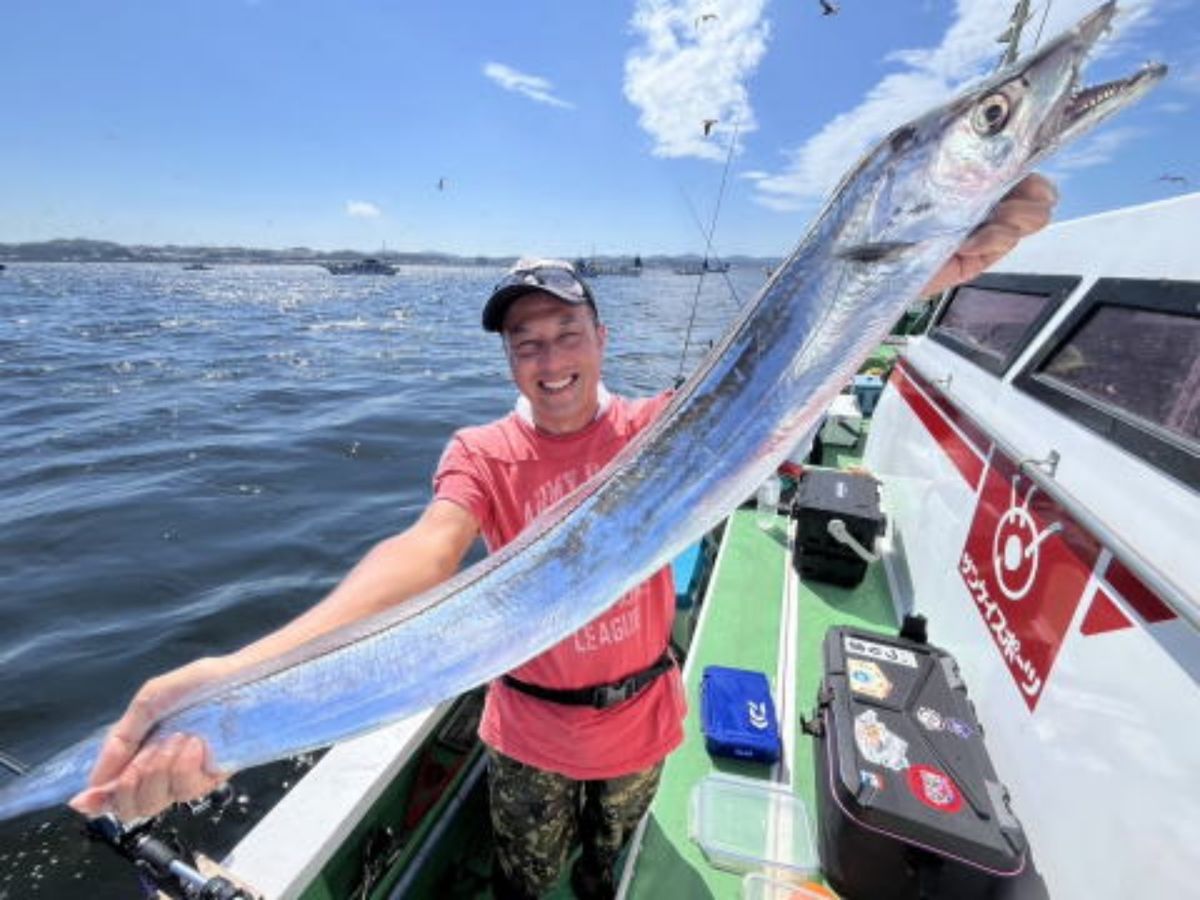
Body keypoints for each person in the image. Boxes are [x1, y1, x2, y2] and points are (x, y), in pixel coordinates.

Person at [69, 174, 1058, 898]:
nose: (548, 359)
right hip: (528, 736)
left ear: (600, 338)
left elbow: (783, 391)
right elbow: (423, 553)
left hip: (640, 726)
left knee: (607, 876)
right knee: (521, 880)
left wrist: (921, 279)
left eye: (565, 333)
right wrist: (238, 680)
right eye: (525, 342)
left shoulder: (660, 432)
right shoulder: (481, 452)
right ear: (510, 356)